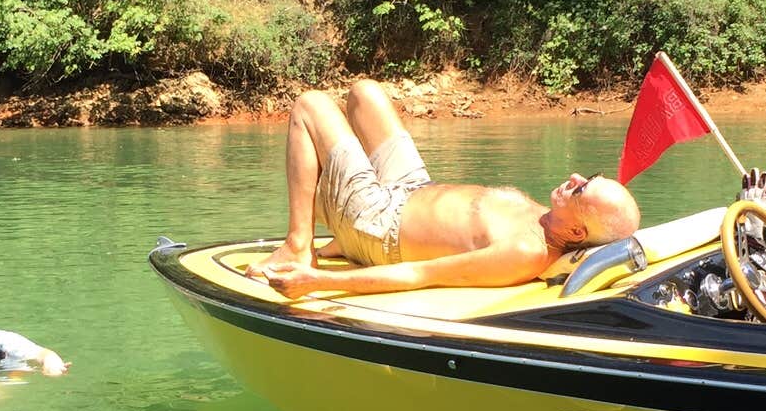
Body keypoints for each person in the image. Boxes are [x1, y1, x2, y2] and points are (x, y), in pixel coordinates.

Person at [249, 79, 642, 298]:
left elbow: (420, 274)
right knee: (364, 93)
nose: (574, 178)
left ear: (576, 233)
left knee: (310, 104)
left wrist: (320, 281)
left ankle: (298, 244)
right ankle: (332, 229)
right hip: (410, 187)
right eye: (587, 177)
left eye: (580, 191)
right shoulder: (548, 216)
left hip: (378, 224)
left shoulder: (524, 252)